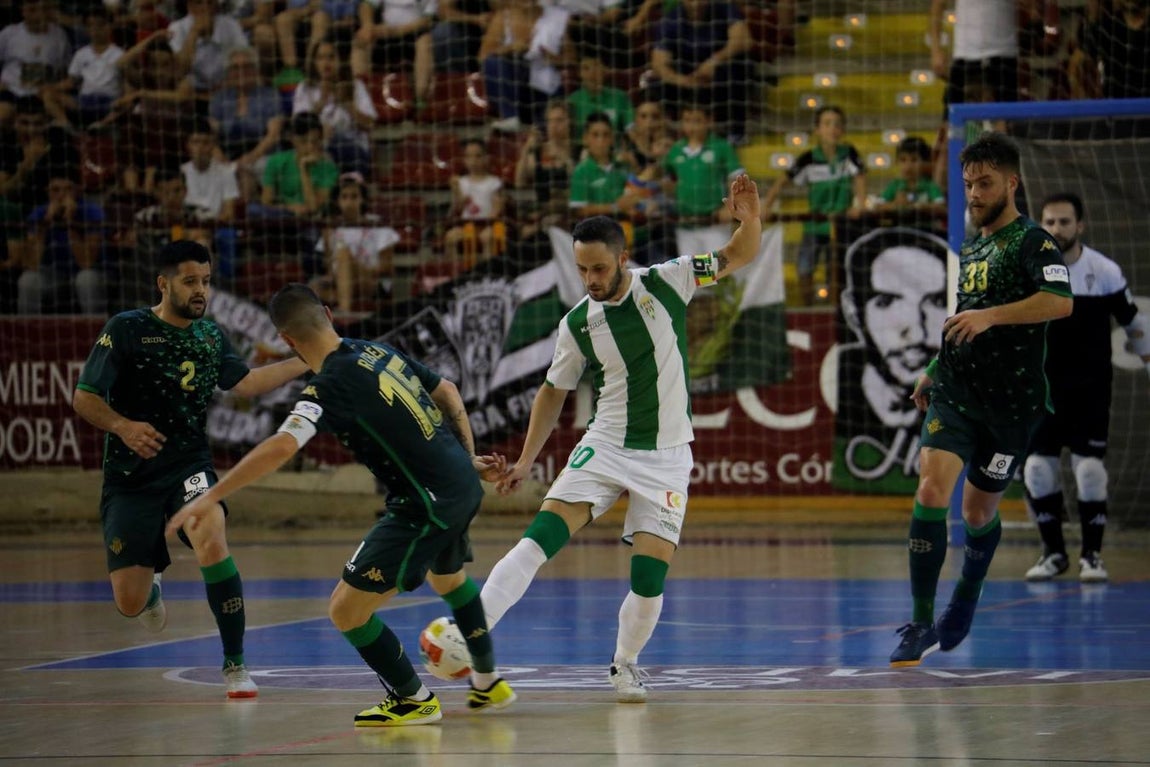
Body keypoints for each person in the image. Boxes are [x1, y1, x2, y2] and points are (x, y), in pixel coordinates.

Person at [165, 282, 517, 726]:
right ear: (328, 314)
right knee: (448, 577)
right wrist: (466, 459)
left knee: (346, 610)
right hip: (460, 486)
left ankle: (414, 699)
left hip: (424, 504)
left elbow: (282, 445)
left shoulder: (328, 384)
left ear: (286, 341)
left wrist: (211, 495)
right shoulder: (372, 349)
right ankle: (488, 684)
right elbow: (446, 388)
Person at [479, 173, 763, 702]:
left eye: (599, 268)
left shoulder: (670, 278)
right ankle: (469, 635)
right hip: (605, 444)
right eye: (581, 268)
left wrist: (749, 217)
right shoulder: (577, 324)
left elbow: (738, 254)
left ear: (622, 258)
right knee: (538, 540)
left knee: (650, 576)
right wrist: (524, 461)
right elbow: (552, 393)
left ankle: (624, 664)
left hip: (668, 456)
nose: (589, 279)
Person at [71, 240, 311, 698]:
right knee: (130, 602)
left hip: (189, 466)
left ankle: (235, 664)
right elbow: (85, 397)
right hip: (132, 476)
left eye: (206, 281)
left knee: (210, 530)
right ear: (164, 284)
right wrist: (123, 427)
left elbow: (246, 382)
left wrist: (306, 360)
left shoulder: (210, 336)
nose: (201, 290)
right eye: (190, 281)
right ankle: (152, 584)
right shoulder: (126, 329)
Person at [889, 132, 1073, 668]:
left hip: (1012, 406)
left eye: (984, 183)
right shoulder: (972, 246)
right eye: (968, 183)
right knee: (930, 489)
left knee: (977, 508)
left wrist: (992, 316)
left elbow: (1059, 304)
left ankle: (966, 596)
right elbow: (964, 317)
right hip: (957, 393)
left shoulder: (1034, 242)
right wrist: (931, 369)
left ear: (1011, 183)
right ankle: (921, 621)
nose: (973, 193)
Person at [1023, 192, 1150, 584]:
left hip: (1091, 392)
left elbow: (1133, 324)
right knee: (1037, 470)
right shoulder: (1028, 270)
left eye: (1064, 222)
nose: (1056, 229)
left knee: (1091, 471)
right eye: (1049, 221)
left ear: (1080, 226)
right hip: (1040, 393)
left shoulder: (1104, 271)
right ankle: (1054, 554)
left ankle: (1091, 556)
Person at [834, 227, 949, 493]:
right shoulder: (839, 380)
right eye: (887, 302)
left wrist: (748, 228)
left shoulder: (968, 385)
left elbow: (735, 255)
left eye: (936, 301)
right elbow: (727, 260)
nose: (917, 331)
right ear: (853, 313)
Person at [761, 105, 866, 306]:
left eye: (837, 124)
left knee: (836, 270)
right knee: (804, 267)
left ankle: (835, 311)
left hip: (841, 226)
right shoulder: (809, 158)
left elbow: (860, 177)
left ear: (843, 130)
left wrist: (859, 204)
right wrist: (767, 206)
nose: (832, 129)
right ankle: (808, 308)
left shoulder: (849, 153)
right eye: (827, 124)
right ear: (817, 130)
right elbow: (782, 180)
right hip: (814, 225)